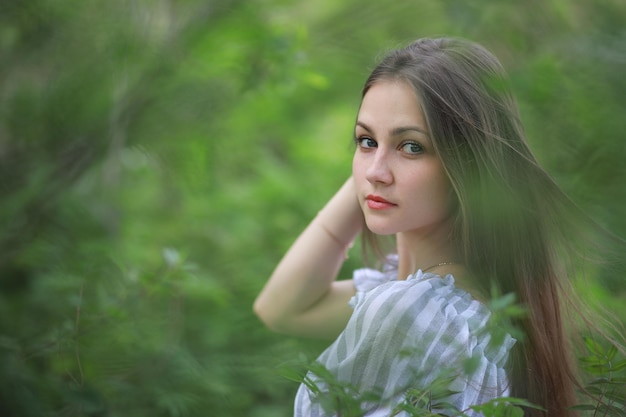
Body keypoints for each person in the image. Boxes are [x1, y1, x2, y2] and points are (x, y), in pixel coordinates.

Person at [253, 37, 613, 417]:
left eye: (412, 147)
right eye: (365, 140)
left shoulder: (414, 311)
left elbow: (280, 309)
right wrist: (373, 172)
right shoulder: (461, 303)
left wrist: (373, 167)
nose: (376, 171)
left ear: (469, 166)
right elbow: (280, 308)